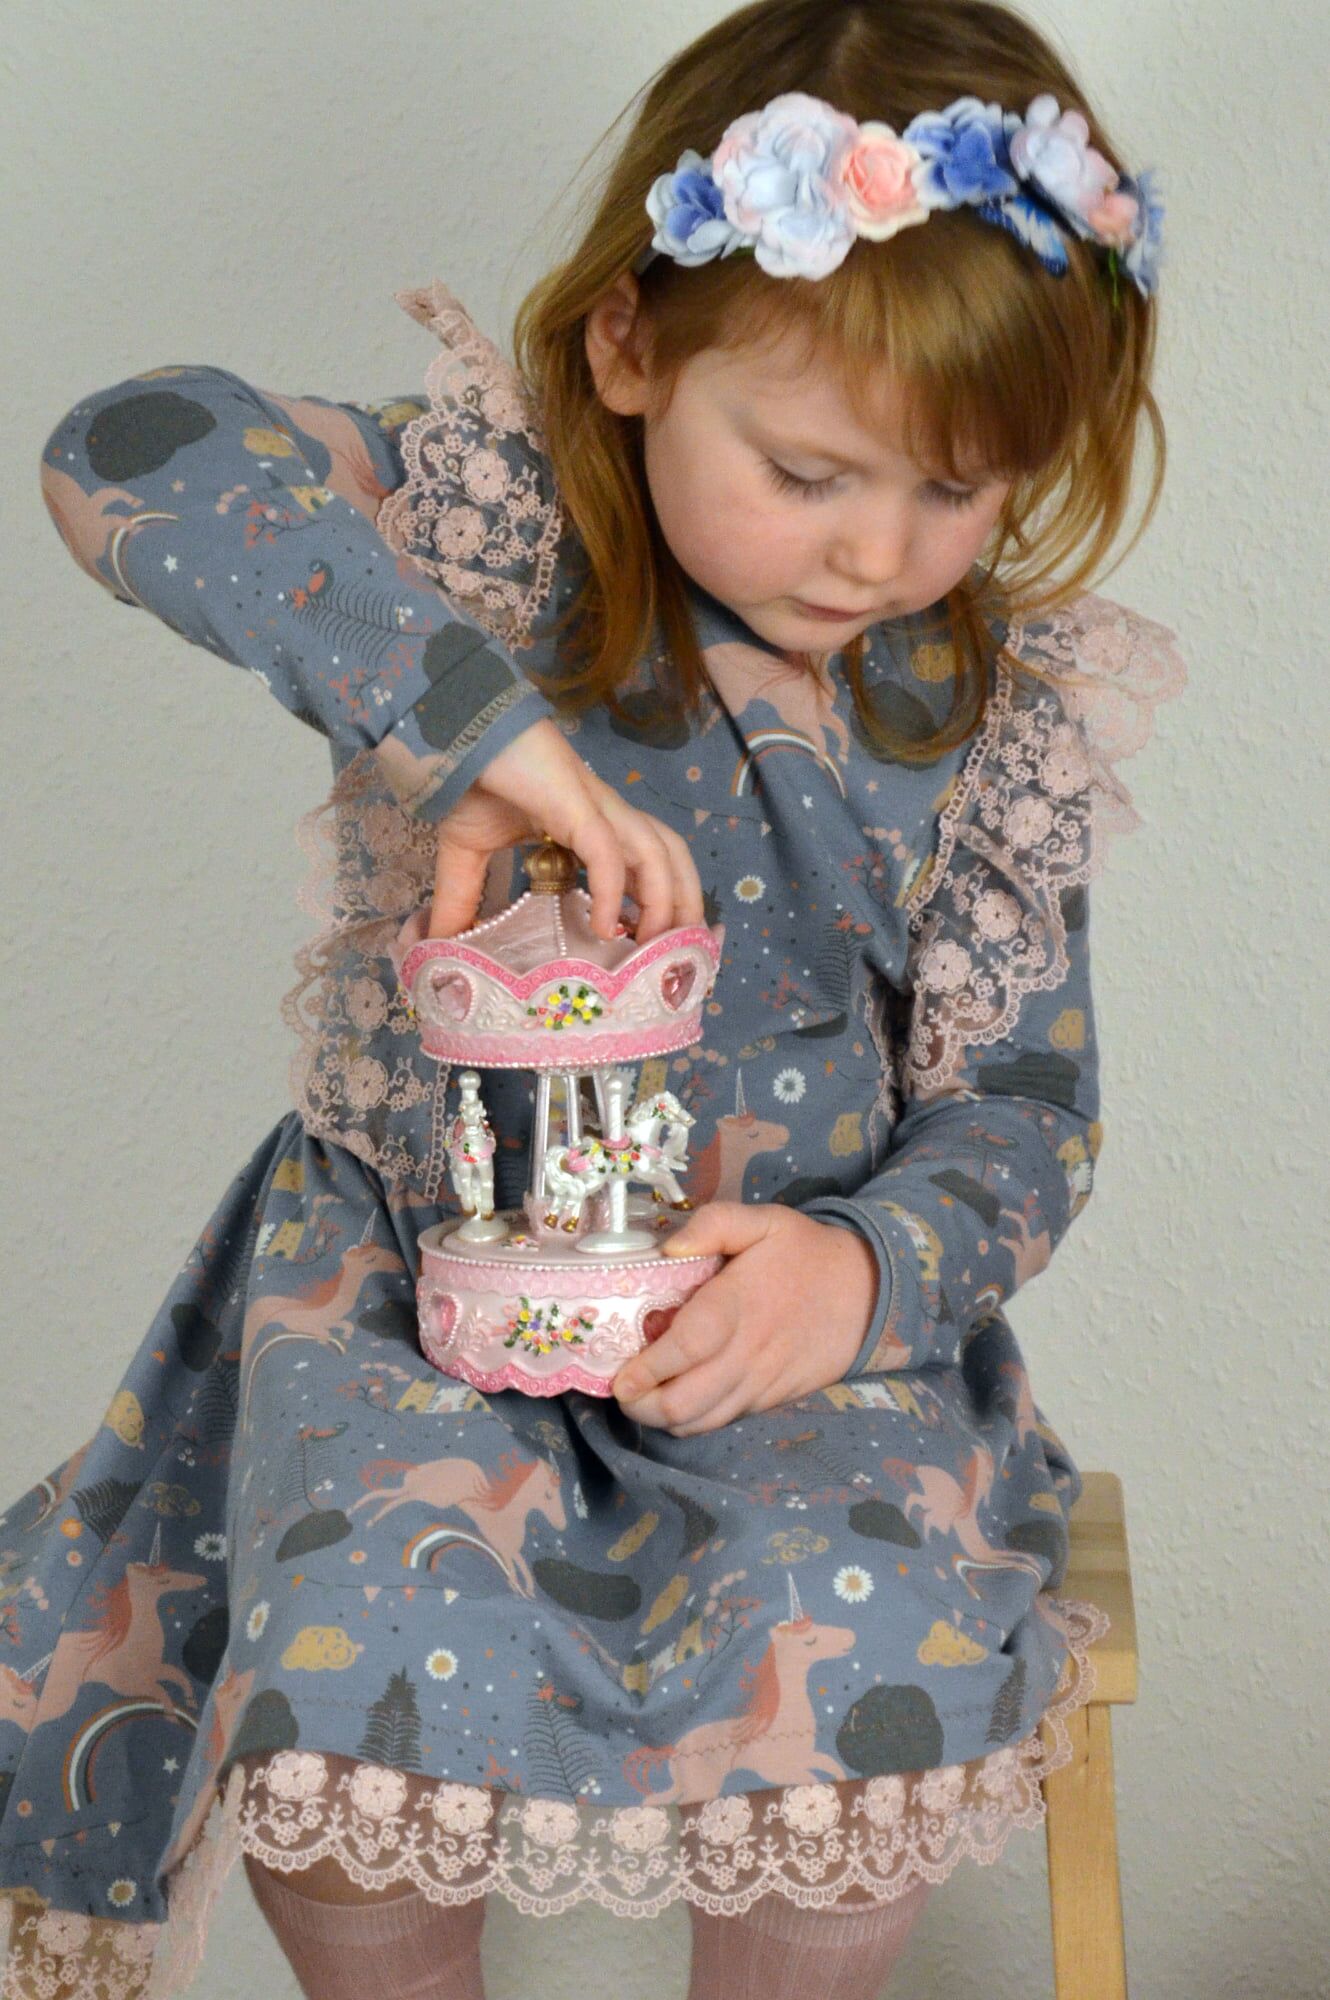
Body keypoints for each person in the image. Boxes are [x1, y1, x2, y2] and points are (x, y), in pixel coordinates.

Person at [5, 2, 1187, 1995]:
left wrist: (859, 1274)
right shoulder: (481, 538)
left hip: (777, 1339)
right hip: (412, 1305)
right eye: (806, 469)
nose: (876, 549)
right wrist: (454, 723)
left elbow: (1027, 1109)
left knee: (852, 1636)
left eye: (959, 490)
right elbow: (121, 448)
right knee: (357, 1629)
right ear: (630, 345)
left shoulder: (982, 718)